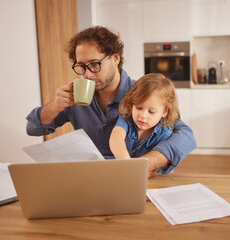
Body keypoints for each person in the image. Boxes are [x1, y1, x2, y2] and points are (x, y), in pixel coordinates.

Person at [26, 26, 196, 177]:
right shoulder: (75, 97)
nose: (87, 74)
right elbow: (33, 129)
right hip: (96, 179)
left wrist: (146, 163)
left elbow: (186, 136)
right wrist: (55, 106)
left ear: (115, 58)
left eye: (94, 64)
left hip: (140, 180)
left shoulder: (142, 94)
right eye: (81, 67)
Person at [109, 73, 179, 174]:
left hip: (155, 178)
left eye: (151, 112)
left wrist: (135, 173)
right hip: (128, 173)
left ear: (164, 111)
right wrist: (125, 162)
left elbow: (155, 167)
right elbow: (116, 136)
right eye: (138, 108)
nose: (143, 116)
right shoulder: (126, 119)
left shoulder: (165, 134)